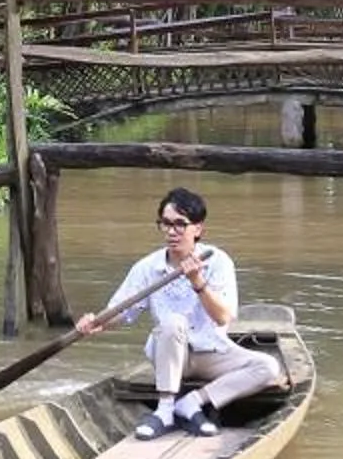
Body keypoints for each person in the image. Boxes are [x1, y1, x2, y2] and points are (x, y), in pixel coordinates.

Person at [73, 186, 285, 440]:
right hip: (170, 354)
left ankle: (192, 403)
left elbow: (224, 318)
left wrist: (198, 282)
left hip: (211, 352)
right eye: (166, 224)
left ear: (198, 229)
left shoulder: (217, 262)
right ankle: (165, 410)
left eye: (180, 224)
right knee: (173, 322)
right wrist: (96, 322)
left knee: (268, 366)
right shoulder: (147, 267)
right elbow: (122, 311)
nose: (172, 232)